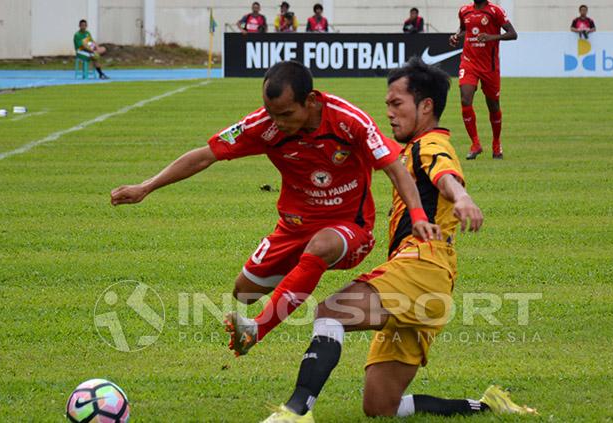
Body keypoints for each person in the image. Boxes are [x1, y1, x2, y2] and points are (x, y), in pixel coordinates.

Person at [256, 57, 536, 422]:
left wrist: (462, 197)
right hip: (432, 281)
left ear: (426, 106)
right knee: (380, 406)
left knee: (330, 312)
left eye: (396, 104)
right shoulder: (407, 149)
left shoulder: (430, 144)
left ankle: (295, 411)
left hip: (421, 266)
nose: (388, 112)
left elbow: (445, 174)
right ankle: (488, 404)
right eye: (387, 104)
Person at [110, 61, 434, 355]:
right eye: (271, 112)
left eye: (285, 114)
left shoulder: (350, 122)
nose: (277, 122)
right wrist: (146, 186)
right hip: (293, 228)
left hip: (350, 228)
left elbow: (394, 166)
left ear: (310, 101)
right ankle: (303, 272)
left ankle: (257, 328)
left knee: (321, 246)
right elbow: (205, 154)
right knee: (244, 292)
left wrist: (418, 215)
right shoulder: (264, 125)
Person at [449, 0, 517, 160]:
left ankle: (496, 143)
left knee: (493, 105)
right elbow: (464, 29)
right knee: (465, 100)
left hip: (490, 66)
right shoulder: (464, 10)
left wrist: (491, 37)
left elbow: (513, 34)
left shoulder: (495, 11)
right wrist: (456, 36)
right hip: (469, 62)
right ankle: (475, 144)